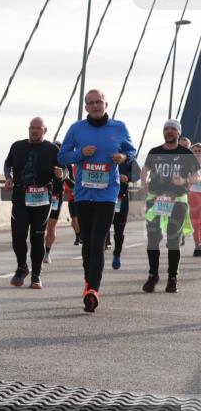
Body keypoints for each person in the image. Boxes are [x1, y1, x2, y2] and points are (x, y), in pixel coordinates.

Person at [58, 89, 136, 312]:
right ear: (86, 107)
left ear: (106, 104)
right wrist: (81, 153)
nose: (95, 106)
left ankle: (93, 289)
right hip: (83, 194)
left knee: (98, 241)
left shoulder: (119, 128)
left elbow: (132, 151)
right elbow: (62, 156)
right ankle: (89, 281)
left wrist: (123, 157)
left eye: (98, 102)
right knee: (87, 243)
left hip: (108, 194)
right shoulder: (76, 129)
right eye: (90, 103)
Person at [139, 119, 200, 293]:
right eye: (166, 128)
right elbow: (145, 169)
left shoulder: (186, 154)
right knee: (153, 239)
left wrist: (185, 180)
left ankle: (172, 278)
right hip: (156, 200)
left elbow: (197, 177)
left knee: (173, 241)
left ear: (178, 132)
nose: (169, 131)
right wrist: (143, 183)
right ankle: (153, 275)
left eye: (173, 128)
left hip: (177, 201)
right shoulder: (155, 151)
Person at [3, 117, 64, 289]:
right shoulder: (17, 146)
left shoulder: (52, 150)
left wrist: (61, 174)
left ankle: (36, 274)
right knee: (18, 237)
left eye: (38, 128)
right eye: (31, 128)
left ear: (45, 130)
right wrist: (8, 178)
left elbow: (64, 171)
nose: (34, 131)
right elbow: (7, 165)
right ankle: (22, 266)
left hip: (42, 199)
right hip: (21, 197)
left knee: (37, 238)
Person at [111, 156, 140, 270]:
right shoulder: (102, 153)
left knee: (119, 230)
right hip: (102, 196)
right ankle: (97, 256)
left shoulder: (128, 157)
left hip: (120, 197)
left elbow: (137, 174)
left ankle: (117, 254)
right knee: (101, 228)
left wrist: (127, 177)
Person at [43, 140, 67, 265]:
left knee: (51, 227)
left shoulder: (63, 164)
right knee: (40, 226)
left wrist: (62, 175)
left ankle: (47, 252)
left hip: (56, 197)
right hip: (41, 195)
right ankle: (39, 251)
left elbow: (70, 180)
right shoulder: (43, 160)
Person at [191, 143, 201, 257]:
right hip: (193, 192)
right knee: (196, 221)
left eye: (199, 151)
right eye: (195, 151)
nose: (197, 153)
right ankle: (197, 244)